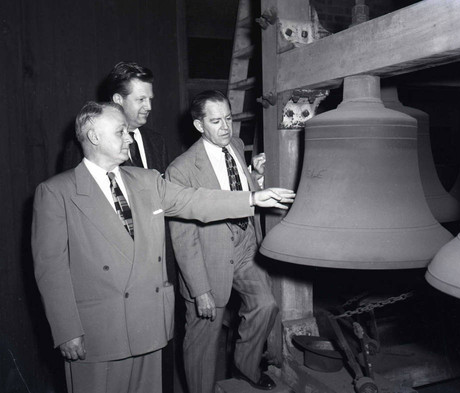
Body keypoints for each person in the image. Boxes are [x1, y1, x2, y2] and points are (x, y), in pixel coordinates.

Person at [32, 101, 294, 393]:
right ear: (94, 137)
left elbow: (196, 200)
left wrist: (252, 199)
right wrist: (67, 330)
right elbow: (51, 270)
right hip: (99, 333)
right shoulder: (57, 192)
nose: (129, 138)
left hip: (149, 325)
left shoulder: (147, 180)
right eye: (121, 132)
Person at [166, 90, 278, 392]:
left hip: (245, 245)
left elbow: (242, 190)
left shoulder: (236, 146)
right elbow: (183, 238)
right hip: (207, 257)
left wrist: (256, 176)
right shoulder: (181, 170)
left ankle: (244, 374)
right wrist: (199, 290)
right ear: (199, 126)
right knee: (204, 340)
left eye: (228, 118)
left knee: (265, 305)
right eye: (216, 121)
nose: (226, 127)